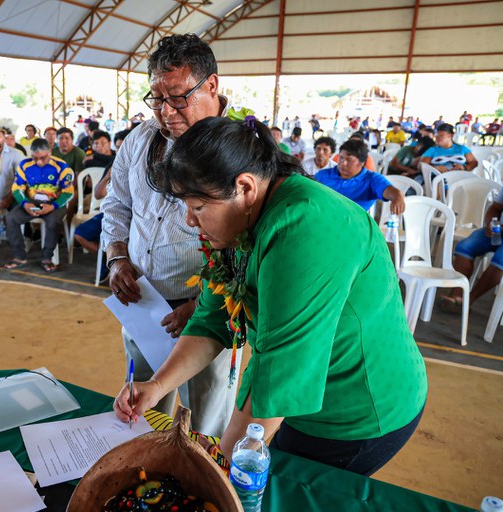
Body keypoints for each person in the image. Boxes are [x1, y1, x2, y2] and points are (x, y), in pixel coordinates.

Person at [115, 115, 428, 475]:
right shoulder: (236, 220)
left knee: (275, 490)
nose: (189, 220)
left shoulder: (308, 229)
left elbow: (278, 371)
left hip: (356, 412)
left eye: (197, 207)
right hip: (295, 404)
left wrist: (219, 463)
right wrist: (156, 386)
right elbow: (213, 318)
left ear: (245, 187)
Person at [101, 33, 237, 436]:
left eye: (178, 97)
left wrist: (202, 303)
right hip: (143, 305)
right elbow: (117, 205)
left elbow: (247, 244)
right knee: (142, 412)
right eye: (156, 98)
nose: (165, 111)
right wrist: (117, 258)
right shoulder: (140, 140)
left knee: (205, 421)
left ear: (211, 85)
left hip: (209, 313)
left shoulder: (237, 151)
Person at [3, 138, 73, 273]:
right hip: (32, 202)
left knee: (53, 221)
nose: (39, 162)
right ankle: (19, 256)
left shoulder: (62, 167)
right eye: (34, 158)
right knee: (11, 218)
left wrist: (53, 207)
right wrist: (25, 204)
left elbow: (68, 193)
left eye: (43, 157)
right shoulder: (24, 165)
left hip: (55, 203)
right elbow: (17, 189)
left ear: (50, 152)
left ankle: (47, 257)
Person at [443, 189, 503, 309]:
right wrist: (490, 224)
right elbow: (496, 207)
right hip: (498, 229)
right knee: (465, 247)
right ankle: (457, 293)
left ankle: (468, 300)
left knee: (500, 260)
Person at [316, 139, 405, 214]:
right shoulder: (323, 175)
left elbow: (389, 190)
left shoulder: (371, 179)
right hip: (323, 219)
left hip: (353, 226)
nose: (343, 163)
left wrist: (398, 196)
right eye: (341, 158)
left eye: (349, 160)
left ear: (362, 162)